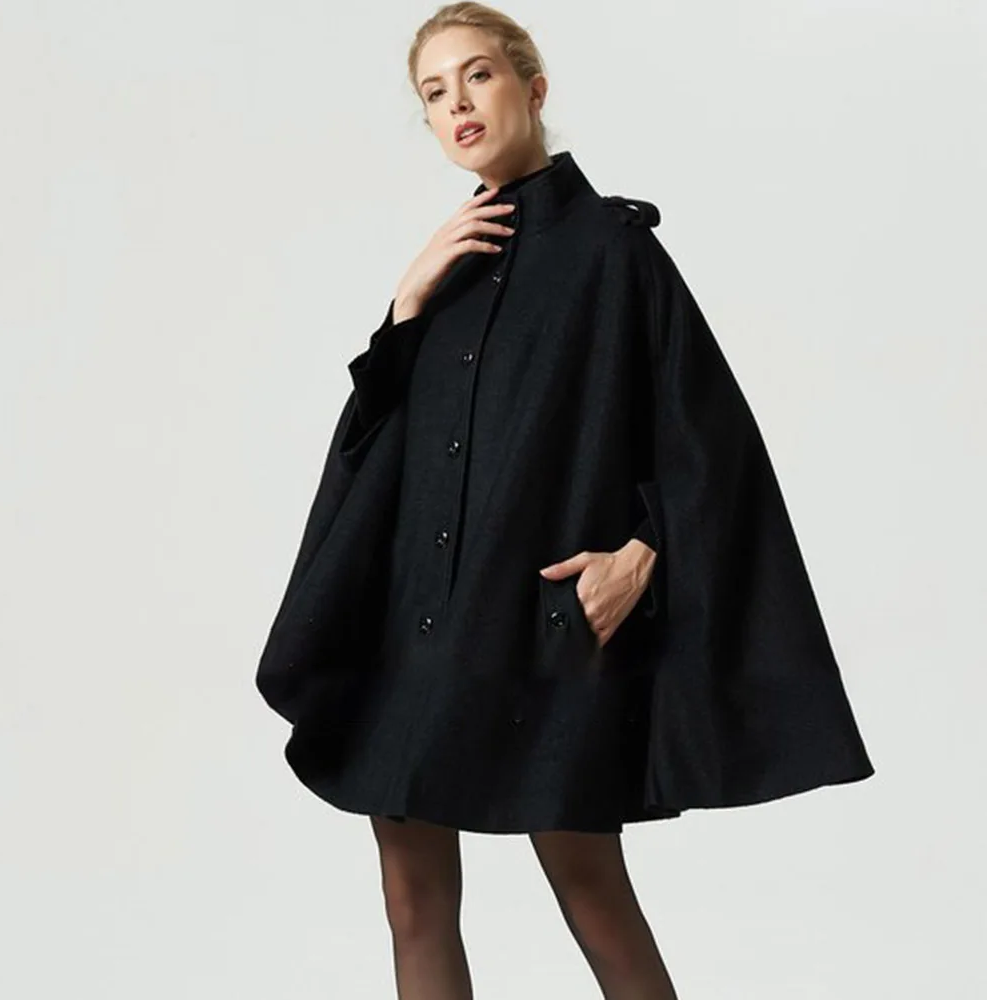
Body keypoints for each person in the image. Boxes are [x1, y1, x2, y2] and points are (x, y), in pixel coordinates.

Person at [255, 4, 875, 997]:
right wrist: (406, 306)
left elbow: (709, 438)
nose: (458, 104)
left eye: (478, 75)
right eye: (434, 93)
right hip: (412, 628)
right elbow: (377, 452)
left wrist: (645, 549)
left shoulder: (612, 251)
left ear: (532, 87)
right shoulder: (445, 269)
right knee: (413, 899)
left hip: (543, 624)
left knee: (589, 886)